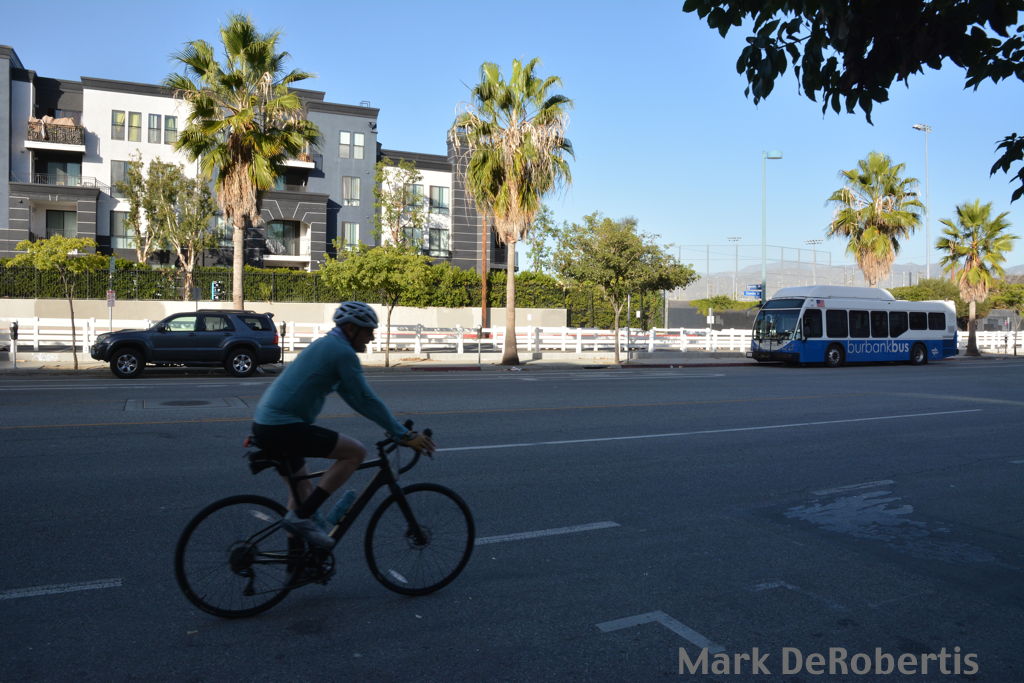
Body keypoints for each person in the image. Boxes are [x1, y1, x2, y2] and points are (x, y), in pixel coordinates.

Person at [251, 301, 435, 548]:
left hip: (267, 425)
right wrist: (402, 434)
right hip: (283, 426)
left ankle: (295, 564)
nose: (372, 337)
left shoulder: (328, 346)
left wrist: (396, 429)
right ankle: (301, 519)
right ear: (350, 328)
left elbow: (356, 399)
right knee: (355, 452)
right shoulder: (341, 352)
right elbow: (365, 399)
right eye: (368, 331)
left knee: (302, 494)